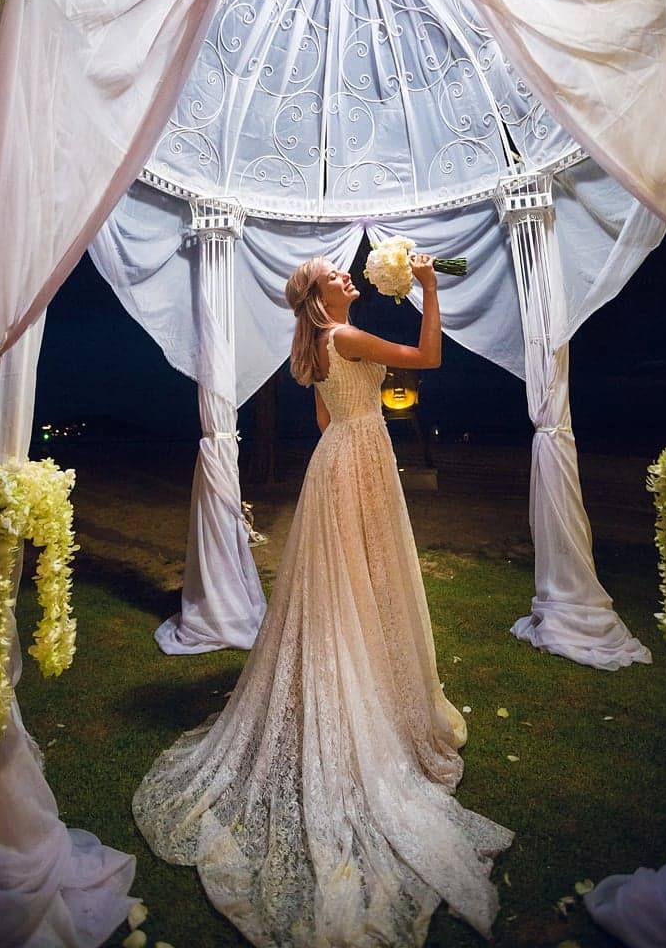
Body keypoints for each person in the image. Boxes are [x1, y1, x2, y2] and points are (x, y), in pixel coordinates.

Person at [133, 254, 514, 947]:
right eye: (334, 276)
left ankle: (357, 678)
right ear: (318, 297)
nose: (348, 276)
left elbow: (322, 414)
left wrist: (355, 430)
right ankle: (366, 695)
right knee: (367, 573)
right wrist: (429, 288)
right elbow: (428, 357)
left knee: (344, 579)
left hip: (338, 456)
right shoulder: (345, 336)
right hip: (361, 456)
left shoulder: (315, 345)